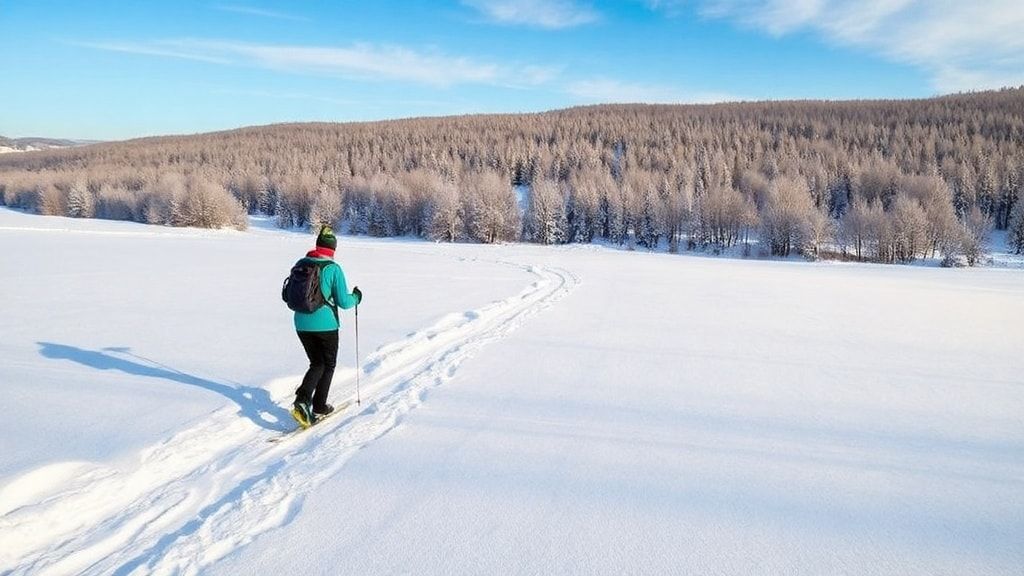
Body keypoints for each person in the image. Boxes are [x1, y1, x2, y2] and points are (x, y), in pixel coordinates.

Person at [290, 225, 361, 427]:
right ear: (333, 249)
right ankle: (310, 403)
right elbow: (344, 302)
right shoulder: (333, 269)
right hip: (326, 325)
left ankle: (310, 402)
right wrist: (357, 297)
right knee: (326, 364)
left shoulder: (301, 263)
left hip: (301, 322)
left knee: (316, 363)